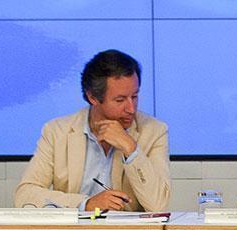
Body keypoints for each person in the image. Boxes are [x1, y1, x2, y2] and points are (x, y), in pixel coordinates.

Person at [15, 50, 170, 211]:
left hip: (126, 228)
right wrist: (86, 204)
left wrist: (131, 149)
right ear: (93, 97)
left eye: (135, 96)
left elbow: (158, 205)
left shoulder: (154, 131)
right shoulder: (57, 131)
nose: (131, 108)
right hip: (73, 226)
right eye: (120, 100)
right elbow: (25, 194)